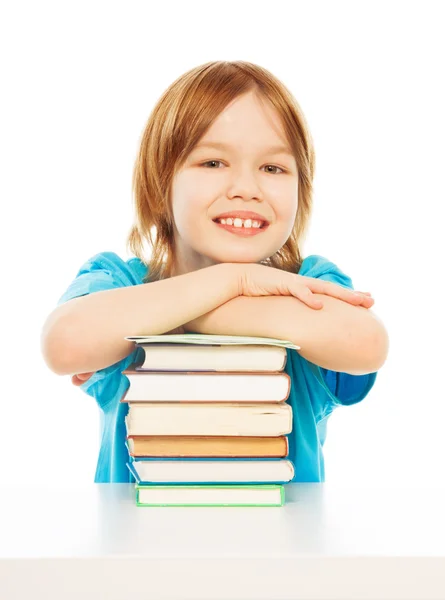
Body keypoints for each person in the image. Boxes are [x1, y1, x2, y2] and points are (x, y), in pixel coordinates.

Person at [41, 60, 389, 483]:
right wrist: (232, 281)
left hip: (282, 547)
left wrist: (192, 308)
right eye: (212, 163)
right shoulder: (119, 281)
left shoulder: (309, 279)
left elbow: (365, 341)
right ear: (159, 184)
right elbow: (63, 344)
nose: (246, 187)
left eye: (273, 168)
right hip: (138, 547)